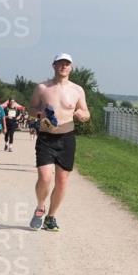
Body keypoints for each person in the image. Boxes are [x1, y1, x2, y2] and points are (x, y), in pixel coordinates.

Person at [28, 53, 90, 232]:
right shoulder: (42, 88)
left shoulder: (77, 90)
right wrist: (40, 113)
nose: (63, 66)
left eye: (67, 64)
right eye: (60, 63)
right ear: (53, 65)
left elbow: (86, 112)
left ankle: (51, 217)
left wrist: (82, 115)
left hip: (67, 138)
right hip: (46, 137)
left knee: (62, 180)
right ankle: (40, 207)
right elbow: (31, 108)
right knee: (45, 177)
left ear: (71, 67)